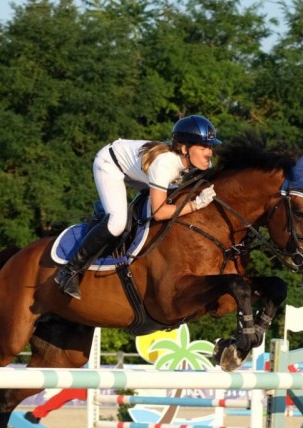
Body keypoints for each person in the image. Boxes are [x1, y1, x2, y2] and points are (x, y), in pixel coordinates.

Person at [55, 115, 222, 299]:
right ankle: (69, 271)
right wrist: (195, 204)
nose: (209, 153)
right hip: (111, 164)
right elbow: (159, 214)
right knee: (117, 223)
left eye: (210, 147)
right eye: (204, 147)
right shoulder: (165, 164)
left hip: (141, 171)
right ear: (184, 149)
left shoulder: (199, 163)